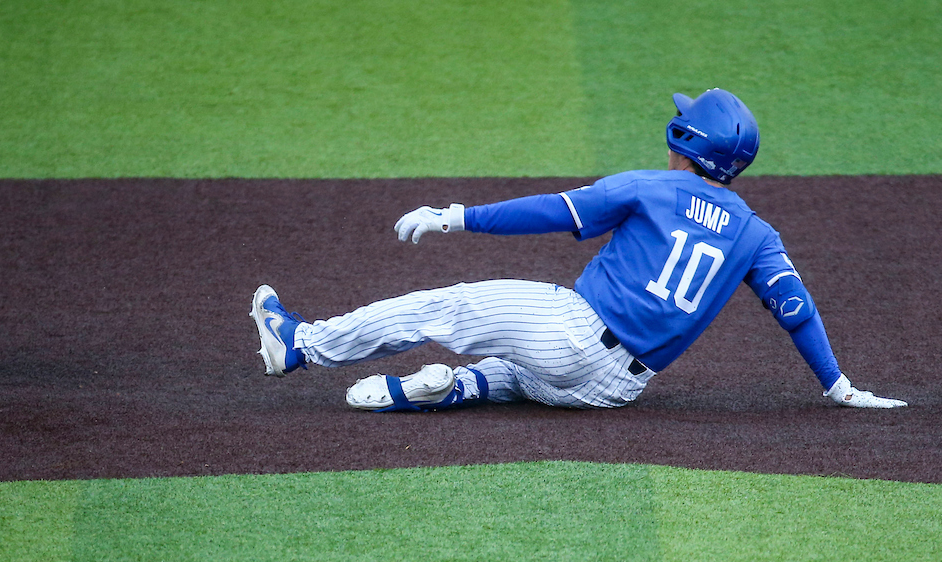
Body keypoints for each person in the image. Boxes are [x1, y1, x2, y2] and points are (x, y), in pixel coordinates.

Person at [249, 88, 907, 411]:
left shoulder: (652, 187)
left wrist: (456, 217)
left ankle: (301, 344)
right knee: (514, 371)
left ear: (686, 139)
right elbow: (795, 308)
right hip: (617, 389)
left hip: (570, 336)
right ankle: (440, 391)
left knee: (446, 310)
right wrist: (838, 386)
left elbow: (552, 212)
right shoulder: (757, 234)